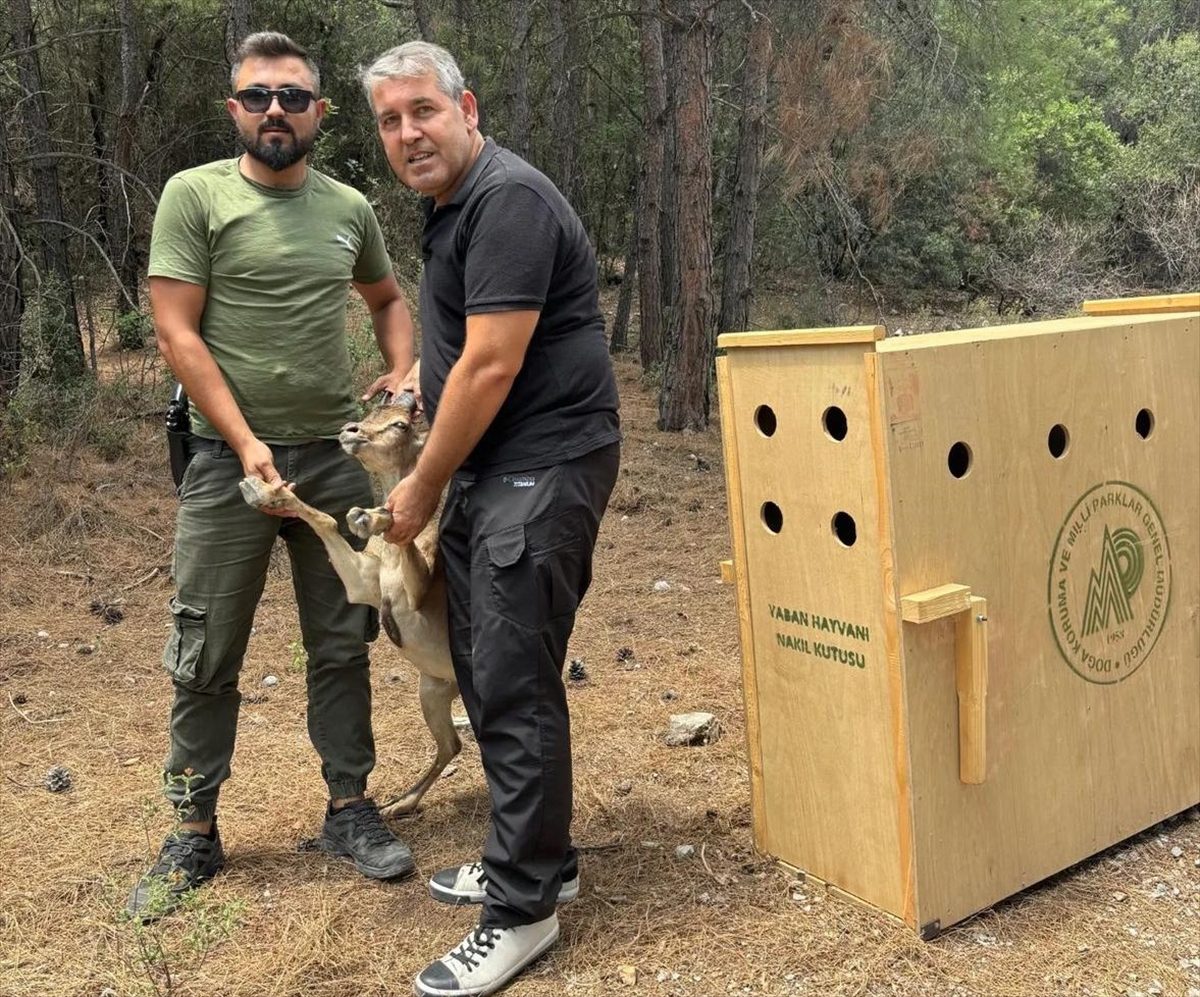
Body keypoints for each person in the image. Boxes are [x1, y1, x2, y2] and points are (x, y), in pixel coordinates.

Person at [128, 31, 418, 919]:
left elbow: (389, 299)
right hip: (227, 466)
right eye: (258, 96)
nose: (275, 111)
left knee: (343, 639)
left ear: (320, 112)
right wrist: (245, 439)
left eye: (293, 96)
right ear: (235, 110)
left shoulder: (348, 206)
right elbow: (177, 332)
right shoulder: (196, 195)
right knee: (205, 650)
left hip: (334, 461)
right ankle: (192, 830)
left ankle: (349, 806)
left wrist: (403, 372)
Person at [360, 41, 621, 997]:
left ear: (465, 107)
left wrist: (421, 485)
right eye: (389, 120)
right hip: (496, 467)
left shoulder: (507, 200)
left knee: (509, 679)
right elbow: (459, 346)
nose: (407, 133)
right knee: (489, 663)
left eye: (422, 111)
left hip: (542, 463)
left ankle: (521, 910)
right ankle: (539, 854)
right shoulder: (452, 209)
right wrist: (415, 376)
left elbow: (493, 365)